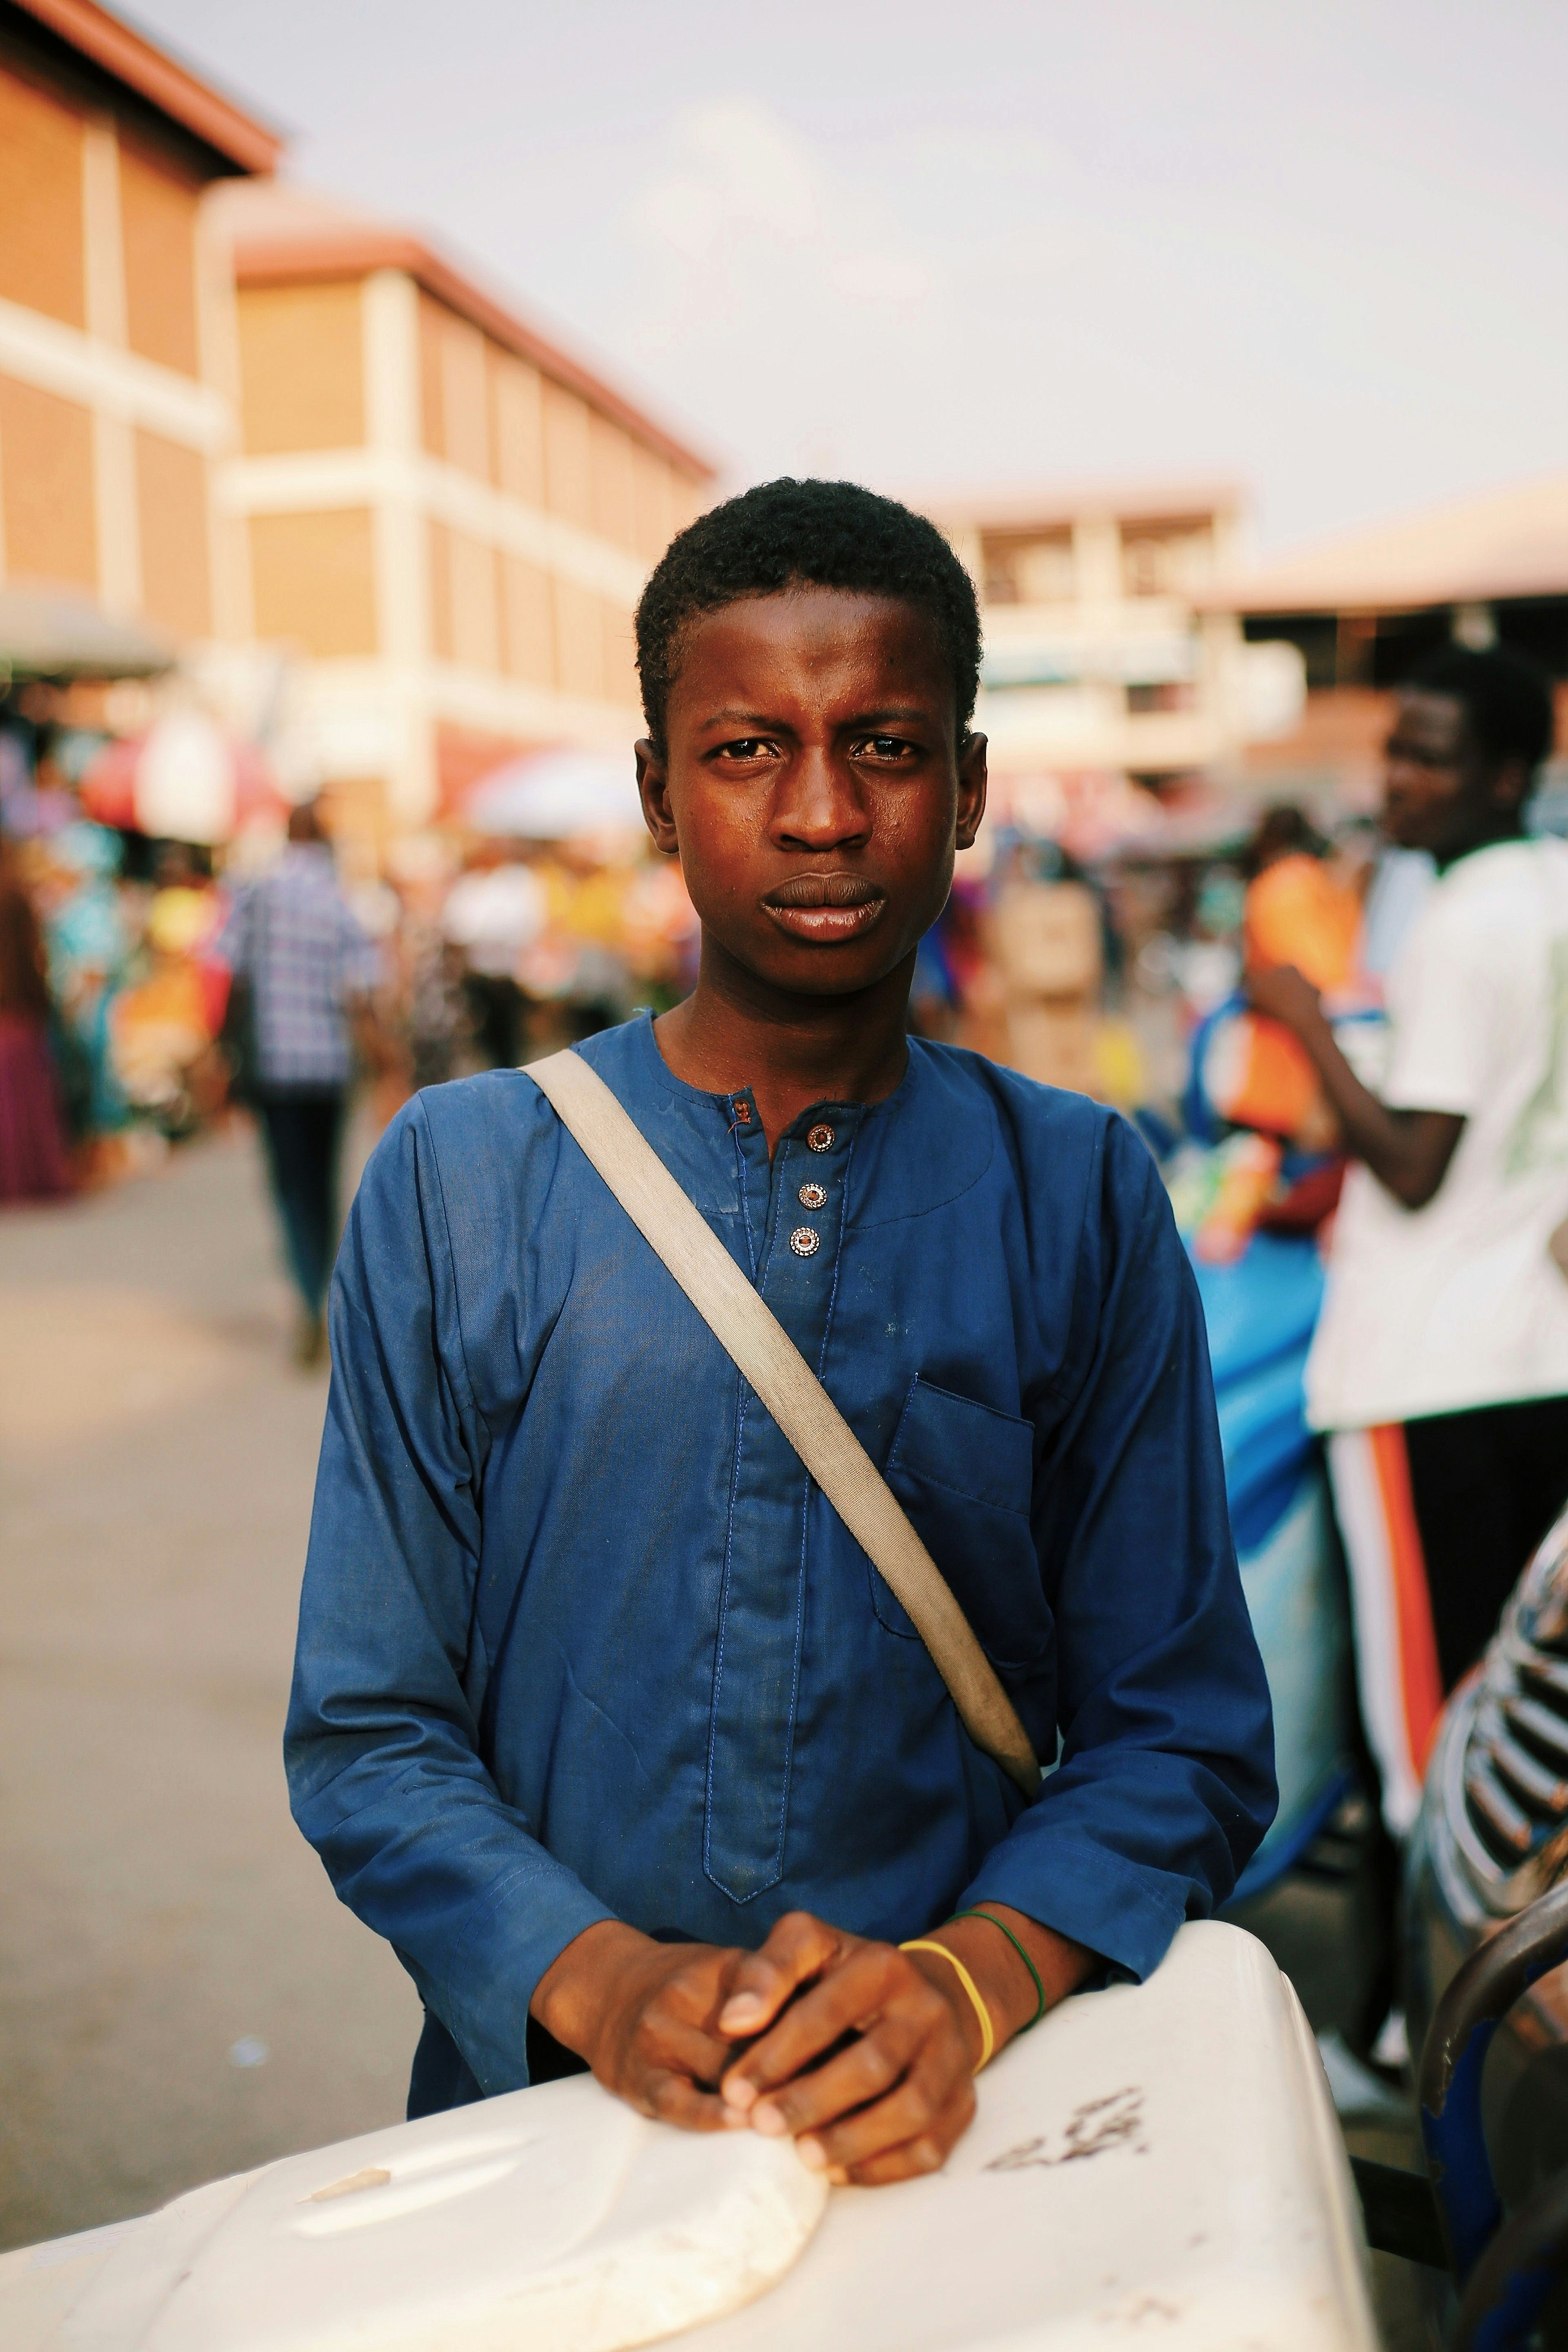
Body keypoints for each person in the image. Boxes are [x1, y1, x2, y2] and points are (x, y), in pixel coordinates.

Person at [286, 480, 1275, 2186]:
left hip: (957, 2134)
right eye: (748, 751)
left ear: (966, 790)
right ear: (662, 795)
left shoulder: (1082, 1193)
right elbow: (371, 1731)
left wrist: (972, 1979)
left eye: (883, 747)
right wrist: (595, 1978)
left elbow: (1179, 1730)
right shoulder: (461, 1180)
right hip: (545, 2129)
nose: (821, 813)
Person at [1249, 644, 1568, 1835]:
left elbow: (1414, 1165)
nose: (1396, 782)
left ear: (1506, 775)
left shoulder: (1461, 922)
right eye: (1394, 750)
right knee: (1532, 1726)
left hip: (1426, 1365)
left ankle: (1425, 2021)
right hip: (1540, 1355)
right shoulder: (1554, 889)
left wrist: (1302, 1020)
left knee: (1428, 1729)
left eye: (1429, 759)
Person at [217, 801, 379, 1364]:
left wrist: (221, 1048)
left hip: (276, 1065)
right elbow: (363, 985)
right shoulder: (340, 899)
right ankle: (326, 1295)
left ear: (287, 834)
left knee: (289, 1186)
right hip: (331, 1066)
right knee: (324, 1183)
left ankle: (308, 1296)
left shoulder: (257, 892)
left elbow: (230, 970)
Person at [0, 846, 73, 1202]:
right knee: (23, 1099)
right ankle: (30, 1177)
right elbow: (34, 958)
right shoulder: (16, 896)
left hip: (14, 1009)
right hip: (17, 1010)